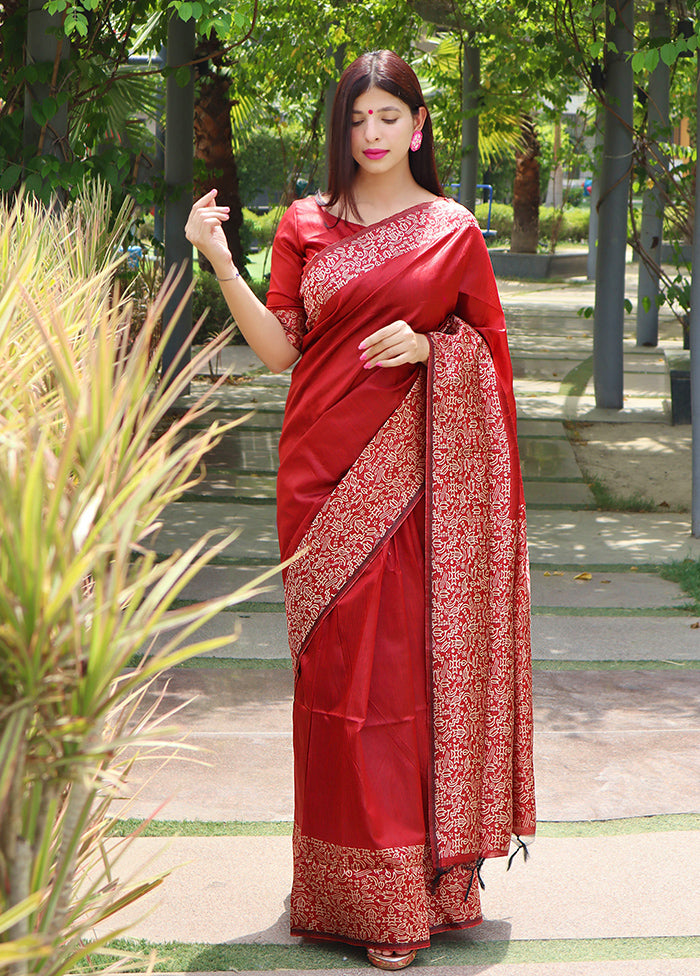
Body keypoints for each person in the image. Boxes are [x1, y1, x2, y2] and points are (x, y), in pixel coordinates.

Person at [185, 49, 535, 972]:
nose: (372, 134)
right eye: (356, 120)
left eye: (388, 117)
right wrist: (219, 259)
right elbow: (278, 351)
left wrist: (434, 353)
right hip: (315, 478)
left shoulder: (453, 231)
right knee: (334, 688)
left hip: (417, 481)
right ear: (341, 132)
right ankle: (333, 887)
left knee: (396, 685)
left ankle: (404, 898)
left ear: (417, 127)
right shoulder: (305, 224)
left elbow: (491, 365)